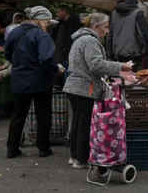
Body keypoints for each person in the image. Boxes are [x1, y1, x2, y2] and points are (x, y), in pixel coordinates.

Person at [63, 13, 131, 175]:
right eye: (106, 27)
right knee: (85, 124)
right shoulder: (90, 41)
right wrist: (121, 67)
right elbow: (96, 65)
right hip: (85, 88)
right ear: (96, 26)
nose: (107, 31)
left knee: (78, 122)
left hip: (76, 87)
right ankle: (81, 158)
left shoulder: (81, 39)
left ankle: (75, 156)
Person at [4, 6, 61, 159]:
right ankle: (43, 148)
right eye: (48, 22)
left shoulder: (14, 32)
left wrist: (19, 65)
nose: (48, 25)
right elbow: (46, 59)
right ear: (39, 20)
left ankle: (12, 148)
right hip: (40, 81)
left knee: (18, 115)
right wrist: (56, 69)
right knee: (43, 115)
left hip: (19, 80)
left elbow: (7, 53)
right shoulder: (42, 35)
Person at [106, 0, 148, 71]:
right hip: (134, 54)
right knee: (134, 79)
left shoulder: (114, 13)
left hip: (117, 53)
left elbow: (110, 34)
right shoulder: (138, 13)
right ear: (136, 0)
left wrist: (110, 53)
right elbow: (145, 34)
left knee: (121, 79)